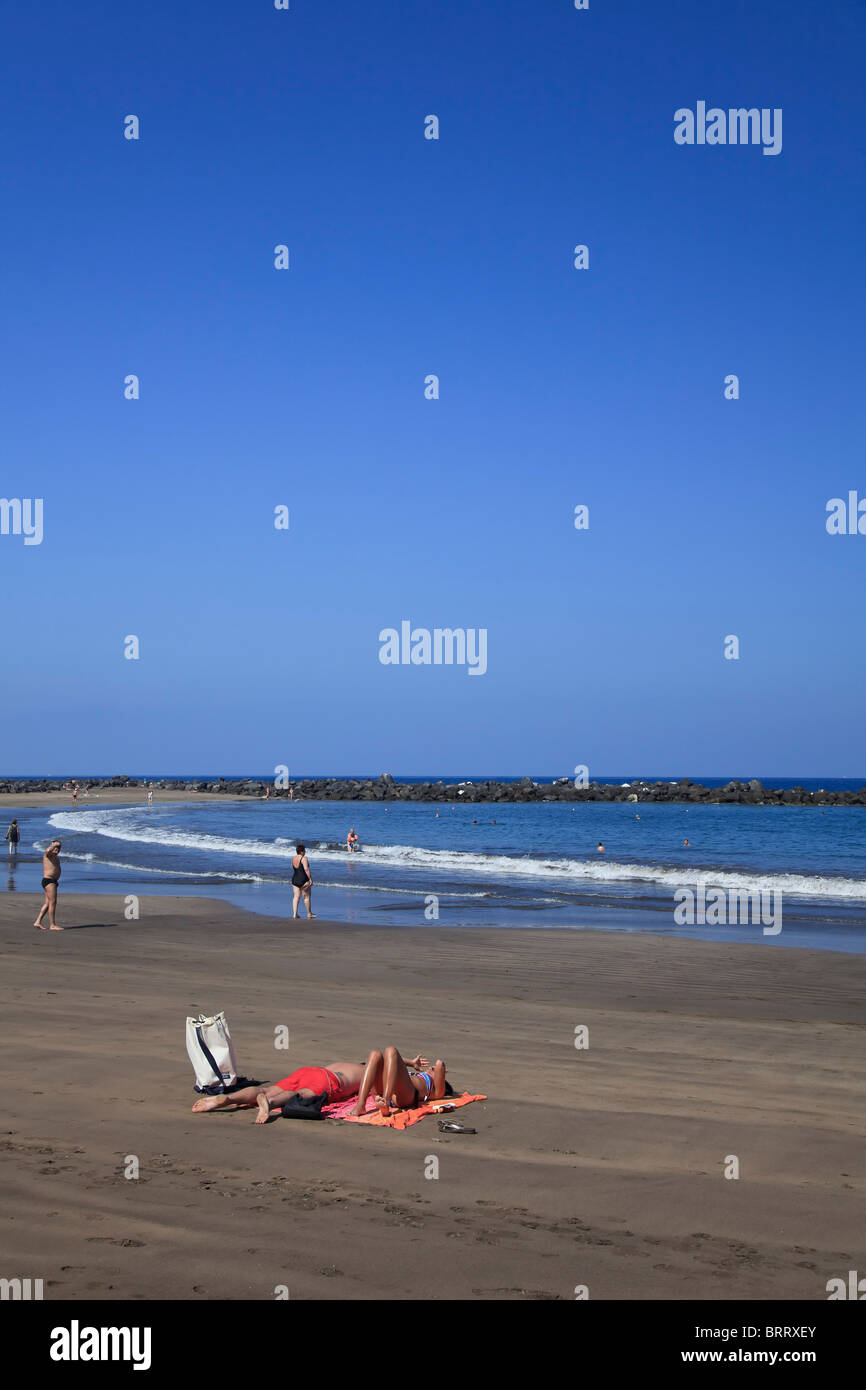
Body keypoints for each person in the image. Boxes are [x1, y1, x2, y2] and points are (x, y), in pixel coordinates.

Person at [350, 1046, 450, 1118]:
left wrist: (441, 1070)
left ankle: (386, 1102)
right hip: (385, 1091)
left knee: (391, 1050)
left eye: (434, 1070)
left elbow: (439, 1063)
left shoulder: (435, 1089)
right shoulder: (416, 1076)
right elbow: (391, 1061)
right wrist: (411, 1063)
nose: (431, 1067)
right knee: (375, 1054)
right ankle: (361, 1105)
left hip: (406, 1096)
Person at [34, 839, 63, 931]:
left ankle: (38, 921)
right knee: (53, 902)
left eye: (58, 848)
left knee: (47, 903)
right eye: (55, 848)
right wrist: (54, 844)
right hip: (49, 880)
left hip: (53, 881)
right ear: (52, 847)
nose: (57, 850)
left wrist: (58, 846)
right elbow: (47, 851)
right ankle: (52, 924)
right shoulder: (48, 855)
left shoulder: (55, 857)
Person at [291, 843, 316, 919]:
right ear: (301, 851)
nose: (305, 852)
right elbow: (306, 869)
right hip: (303, 880)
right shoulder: (304, 858)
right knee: (306, 897)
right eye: (304, 850)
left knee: (296, 897)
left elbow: (295, 869)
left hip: (295, 880)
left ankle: (295, 914)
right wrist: (310, 879)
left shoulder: (293, 858)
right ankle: (309, 914)